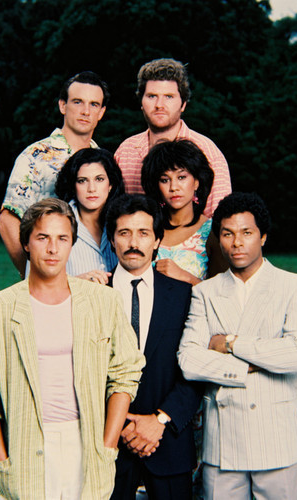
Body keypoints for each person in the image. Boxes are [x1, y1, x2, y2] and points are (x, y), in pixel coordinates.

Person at [0, 198, 145, 500]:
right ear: (26, 243)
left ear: (72, 243)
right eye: (42, 237)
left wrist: (107, 445)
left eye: (62, 238)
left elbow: (125, 372)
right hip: (25, 446)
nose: (52, 249)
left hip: (87, 443)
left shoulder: (103, 301)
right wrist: (1, 459)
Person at [178, 192, 297, 500]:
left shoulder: (296, 287)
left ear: (263, 236)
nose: (237, 243)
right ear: (219, 239)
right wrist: (254, 365)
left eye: (247, 233)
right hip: (222, 443)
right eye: (227, 234)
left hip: (277, 439)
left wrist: (231, 343)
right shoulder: (206, 292)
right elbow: (189, 360)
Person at [105, 194, 203, 500]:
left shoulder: (184, 295)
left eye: (143, 233)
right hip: (107, 444)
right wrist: (120, 424)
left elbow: (197, 367)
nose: (134, 242)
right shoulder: (92, 295)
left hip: (168, 439)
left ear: (157, 240)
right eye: (124, 233)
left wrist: (161, 419)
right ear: (112, 240)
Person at [0, 71, 109, 277]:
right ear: (62, 106)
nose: (86, 111)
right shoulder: (36, 156)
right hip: (53, 278)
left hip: (98, 274)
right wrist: (36, 276)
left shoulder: (103, 161)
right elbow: (7, 222)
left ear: (101, 112)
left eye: (94, 104)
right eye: (77, 102)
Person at [114, 58, 231, 218]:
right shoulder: (126, 151)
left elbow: (221, 220)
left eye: (169, 97)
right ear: (141, 102)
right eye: (152, 96)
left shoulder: (208, 152)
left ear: (183, 104)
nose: (159, 105)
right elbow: (114, 214)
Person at [142, 139, 227, 286]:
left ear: (196, 182)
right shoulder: (147, 228)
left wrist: (186, 277)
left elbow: (222, 294)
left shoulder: (212, 231)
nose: (174, 187)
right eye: (165, 180)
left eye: (181, 177)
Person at [55, 147, 124, 283]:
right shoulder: (54, 225)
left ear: (110, 184)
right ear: (73, 186)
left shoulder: (124, 223)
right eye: (82, 181)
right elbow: (34, 286)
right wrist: (75, 284)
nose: (91, 188)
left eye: (99, 179)